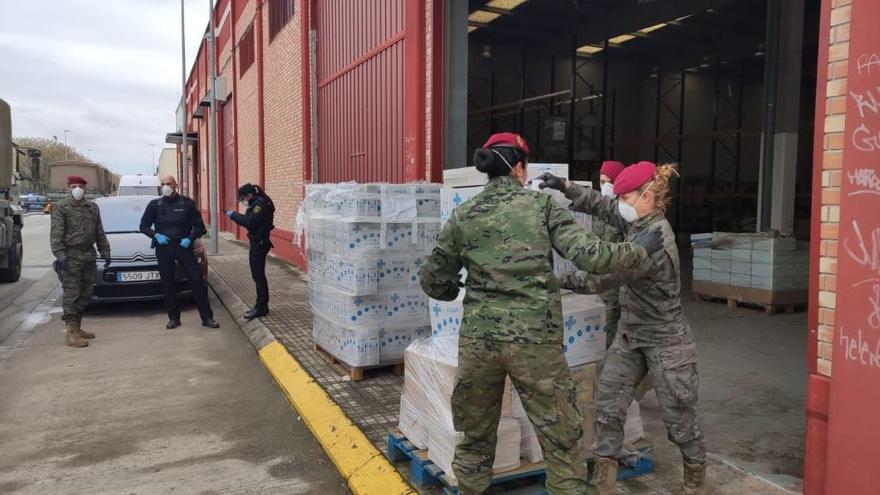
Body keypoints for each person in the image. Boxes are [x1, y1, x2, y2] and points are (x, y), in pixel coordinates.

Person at [419, 132, 664, 495]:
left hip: (479, 343)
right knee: (562, 443)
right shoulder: (541, 207)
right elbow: (593, 256)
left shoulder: (464, 214)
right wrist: (638, 249)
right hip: (535, 343)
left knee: (474, 441)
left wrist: (452, 290)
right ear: (520, 168)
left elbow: (431, 279)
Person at [539, 162, 708, 495]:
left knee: (678, 416)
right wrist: (566, 186)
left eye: (626, 197)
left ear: (649, 196)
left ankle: (695, 478)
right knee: (609, 405)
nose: (621, 205)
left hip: (666, 340)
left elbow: (602, 276)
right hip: (631, 335)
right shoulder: (638, 221)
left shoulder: (655, 241)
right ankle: (604, 482)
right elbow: (603, 207)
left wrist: (552, 277)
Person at [139, 175, 219, 329]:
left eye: (168, 183)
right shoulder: (155, 205)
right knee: (168, 284)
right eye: (163, 184)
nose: (166, 186)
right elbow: (143, 226)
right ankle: (174, 318)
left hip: (184, 247)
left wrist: (190, 238)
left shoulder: (187, 203)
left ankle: (207, 318)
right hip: (164, 248)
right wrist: (156, 235)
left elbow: (200, 227)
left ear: (175, 185)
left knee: (197, 281)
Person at [50, 175, 111, 348]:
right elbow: (56, 236)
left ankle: (77, 328)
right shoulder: (62, 208)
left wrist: (105, 251)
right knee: (72, 294)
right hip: (70, 257)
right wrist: (60, 256)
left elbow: (100, 232)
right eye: (74, 186)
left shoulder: (92, 207)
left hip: (88, 256)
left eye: (80, 186)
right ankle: (71, 332)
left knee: (86, 293)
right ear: (68, 188)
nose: (77, 189)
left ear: (86, 188)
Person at [225, 183, 275, 320]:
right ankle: (262, 306)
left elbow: (250, 222)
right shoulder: (257, 202)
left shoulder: (260, 204)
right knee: (257, 275)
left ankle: (261, 307)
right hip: (257, 242)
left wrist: (233, 215)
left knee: (258, 275)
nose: (243, 202)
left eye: (243, 199)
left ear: (248, 195)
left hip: (260, 243)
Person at [593, 161, 626, 348]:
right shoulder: (600, 209)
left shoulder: (625, 212)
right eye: (601, 181)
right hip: (598, 276)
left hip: (615, 278)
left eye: (608, 182)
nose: (603, 186)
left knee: (611, 319)